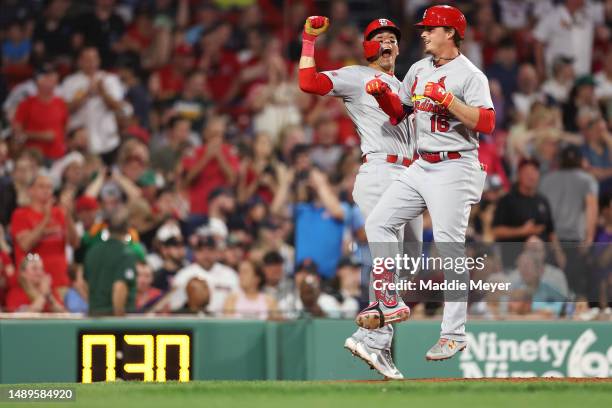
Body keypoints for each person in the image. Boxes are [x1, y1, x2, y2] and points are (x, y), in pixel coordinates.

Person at [363, 5, 494, 361]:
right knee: (378, 221)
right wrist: (382, 96)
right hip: (422, 163)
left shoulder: (470, 75)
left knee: (450, 250)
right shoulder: (419, 69)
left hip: (455, 165)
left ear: (449, 33)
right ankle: (389, 299)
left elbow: (486, 123)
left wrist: (449, 100)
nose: (422, 33)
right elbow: (399, 112)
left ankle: (453, 334)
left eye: (430, 29)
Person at [298, 14, 423, 379]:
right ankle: (374, 332)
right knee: (389, 253)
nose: (387, 43)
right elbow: (308, 82)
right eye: (379, 37)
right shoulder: (357, 76)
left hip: (409, 173)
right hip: (381, 170)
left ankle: (374, 339)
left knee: (408, 259)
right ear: (368, 46)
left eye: (392, 38)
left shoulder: (405, 87)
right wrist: (308, 40)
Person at [540, 145, 599, 296]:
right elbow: (591, 208)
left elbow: (542, 211)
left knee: (552, 289)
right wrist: (590, 238)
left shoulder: (547, 179)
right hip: (575, 242)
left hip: (551, 240)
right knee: (575, 290)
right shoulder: (587, 179)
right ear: (580, 161)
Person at [10, 173, 78, 297]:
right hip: (32, 285)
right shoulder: (20, 214)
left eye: (49, 187)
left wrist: (68, 215)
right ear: (30, 191)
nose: (46, 191)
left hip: (60, 281)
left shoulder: (59, 213)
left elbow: (74, 243)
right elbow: (25, 245)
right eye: (41, 186)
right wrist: (46, 219)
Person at [59, 47, 124, 164]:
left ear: (99, 60)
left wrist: (103, 92)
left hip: (107, 141)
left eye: (94, 59)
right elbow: (64, 109)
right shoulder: (70, 82)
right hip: (81, 142)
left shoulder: (110, 79)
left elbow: (118, 107)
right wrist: (86, 94)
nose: (91, 63)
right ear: (80, 61)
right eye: (87, 59)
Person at [83, 206, 138, 316]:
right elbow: (119, 287)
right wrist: (118, 322)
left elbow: (83, 283)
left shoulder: (93, 251)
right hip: (112, 320)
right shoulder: (126, 253)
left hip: (93, 317)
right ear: (128, 228)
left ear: (107, 227)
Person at [12, 63, 68, 160]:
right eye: (48, 76)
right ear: (38, 80)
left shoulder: (60, 102)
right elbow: (17, 134)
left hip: (59, 156)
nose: (52, 79)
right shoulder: (26, 104)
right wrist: (41, 136)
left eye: (54, 76)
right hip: (35, 158)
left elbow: (65, 128)